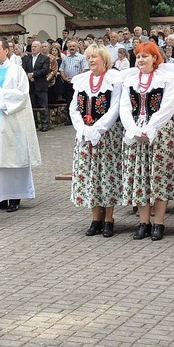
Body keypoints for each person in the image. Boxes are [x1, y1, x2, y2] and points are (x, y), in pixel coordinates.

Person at [120, 41, 174, 241]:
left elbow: (168, 106)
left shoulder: (166, 77)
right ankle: (143, 222)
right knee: (140, 177)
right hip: (136, 132)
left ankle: (159, 223)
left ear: (155, 58)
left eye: (145, 56)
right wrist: (133, 128)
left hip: (160, 132)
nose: (140, 60)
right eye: (138, 56)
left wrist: (151, 127)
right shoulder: (129, 79)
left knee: (159, 176)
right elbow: (125, 107)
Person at [70, 44, 123, 237]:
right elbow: (74, 107)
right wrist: (82, 128)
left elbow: (114, 108)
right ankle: (95, 218)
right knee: (91, 175)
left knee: (107, 174)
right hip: (85, 134)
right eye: (89, 57)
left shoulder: (114, 79)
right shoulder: (82, 80)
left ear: (105, 59)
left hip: (107, 135)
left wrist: (98, 129)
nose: (91, 60)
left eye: (95, 57)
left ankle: (109, 218)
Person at [0, 40, 41, 212]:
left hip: (10, 121)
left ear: (6, 51)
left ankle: (15, 196)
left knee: (12, 158)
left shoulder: (17, 71)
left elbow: (23, 96)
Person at [23, 40, 51, 132]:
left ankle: (45, 124)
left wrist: (33, 74)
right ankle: (33, 124)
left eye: (35, 46)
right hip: (30, 86)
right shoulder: (26, 58)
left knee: (43, 105)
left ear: (39, 48)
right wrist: (28, 75)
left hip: (41, 85)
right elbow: (23, 70)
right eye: (32, 47)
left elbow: (45, 70)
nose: (33, 48)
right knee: (32, 105)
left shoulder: (44, 58)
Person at [59, 41, 89, 125]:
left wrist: (76, 78)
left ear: (77, 48)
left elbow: (85, 69)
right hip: (68, 83)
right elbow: (61, 69)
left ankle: (81, 118)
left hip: (79, 84)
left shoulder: (82, 57)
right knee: (69, 101)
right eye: (70, 46)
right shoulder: (65, 58)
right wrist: (65, 78)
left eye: (73, 46)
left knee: (80, 101)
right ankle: (70, 119)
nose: (71, 48)